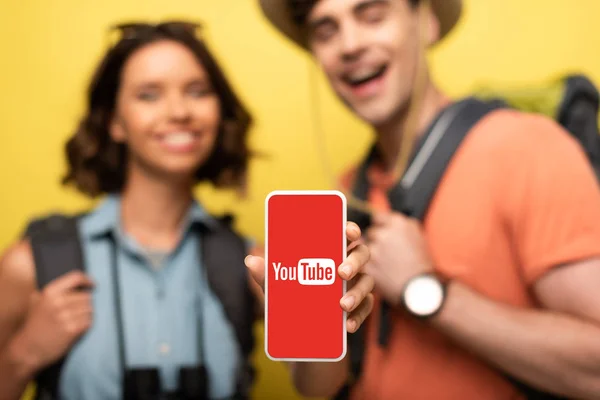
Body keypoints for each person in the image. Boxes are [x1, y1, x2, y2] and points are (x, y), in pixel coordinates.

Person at [0, 20, 373, 400]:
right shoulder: (33, 265)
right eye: (149, 95)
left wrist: (331, 315)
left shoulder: (251, 264)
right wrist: (23, 354)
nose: (179, 111)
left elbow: (319, 388)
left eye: (197, 92)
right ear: (115, 122)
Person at [251, 0, 600, 399]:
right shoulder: (348, 192)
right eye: (326, 30)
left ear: (427, 22)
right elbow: (320, 388)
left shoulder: (525, 147)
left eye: (372, 15)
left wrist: (423, 290)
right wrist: (300, 321)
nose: (349, 45)